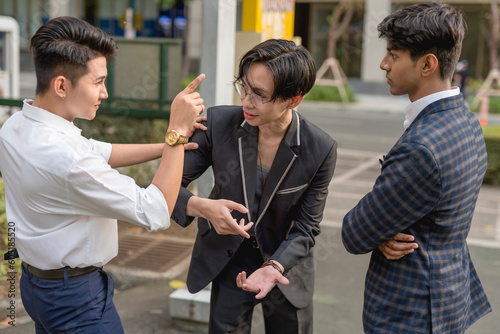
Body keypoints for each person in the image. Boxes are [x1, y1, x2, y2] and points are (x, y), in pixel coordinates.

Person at [0, 16, 205, 333]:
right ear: (62, 85)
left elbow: (99, 151)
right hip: (77, 300)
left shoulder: (16, 127)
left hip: (36, 286)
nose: (105, 92)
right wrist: (175, 131)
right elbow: (156, 212)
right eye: (98, 82)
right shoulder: (67, 159)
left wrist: (170, 146)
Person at [342, 3, 492, 334]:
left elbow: (354, 233)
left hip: (411, 312)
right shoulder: (466, 121)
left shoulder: (421, 148)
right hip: (449, 297)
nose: (384, 64)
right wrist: (384, 231)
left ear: (427, 64)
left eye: (394, 55)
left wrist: (379, 230)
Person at [171, 39, 337, 333]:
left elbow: (306, 228)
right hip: (229, 258)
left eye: (259, 95)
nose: (246, 101)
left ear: (294, 99)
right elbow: (167, 185)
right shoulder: (219, 123)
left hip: (286, 265)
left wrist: (275, 266)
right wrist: (204, 208)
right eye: (243, 87)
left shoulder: (320, 148)